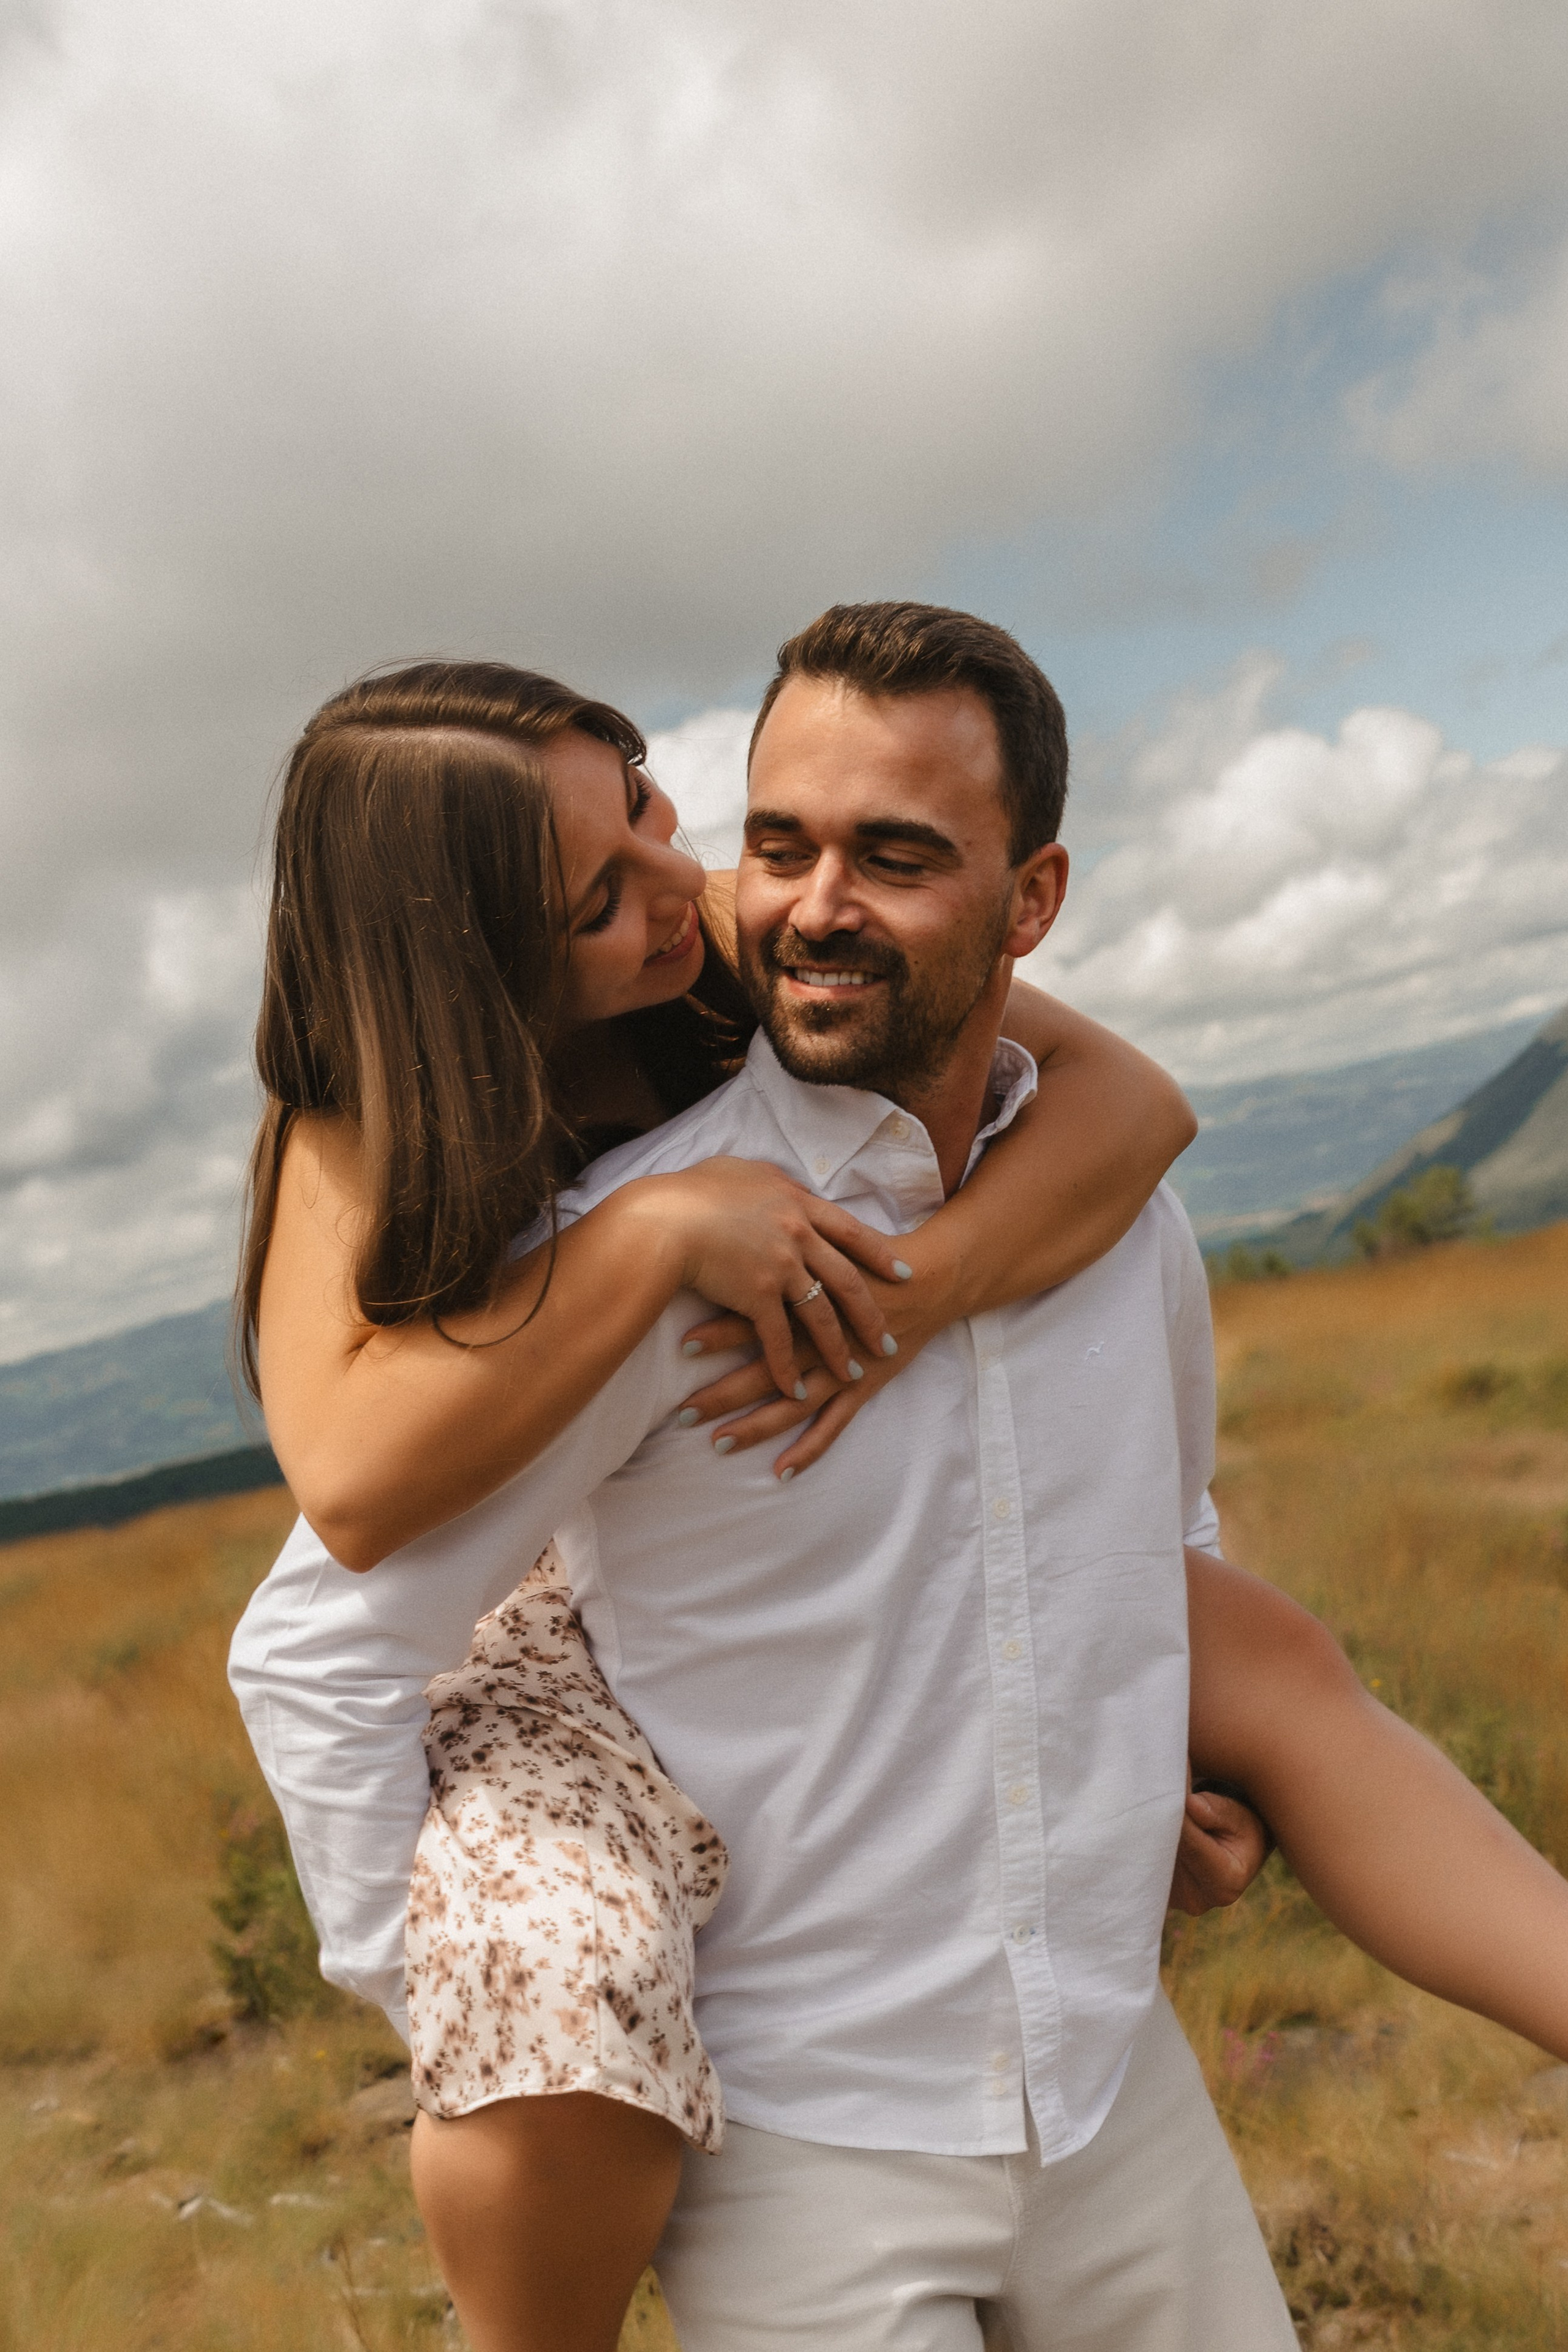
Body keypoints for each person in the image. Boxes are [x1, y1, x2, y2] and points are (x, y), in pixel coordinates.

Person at [231, 611, 1568, 2352]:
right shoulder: (612, 1252)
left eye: (894, 853)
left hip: (1104, 2082)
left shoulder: (1100, 1213)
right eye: (775, 844)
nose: (771, 897)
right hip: (808, 2150)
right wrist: (495, 2035)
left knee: (1285, 1667)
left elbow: (1147, 1524)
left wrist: (1136, 1745)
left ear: (1031, 904)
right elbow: (327, 1606)